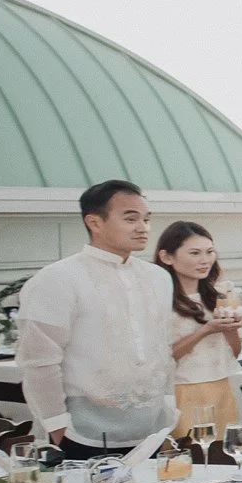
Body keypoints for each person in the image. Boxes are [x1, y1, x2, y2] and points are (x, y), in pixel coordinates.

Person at [16, 180, 178, 459]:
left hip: (152, 431)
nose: (143, 227)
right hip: (82, 433)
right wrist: (58, 430)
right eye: (130, 218)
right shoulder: (57, 279)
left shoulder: (158, 277)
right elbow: (38, 362)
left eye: (146, 219)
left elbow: (163, 350)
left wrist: (167, 410)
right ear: (94, 222)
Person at [155, 221, 242, 438]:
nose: (205, 260)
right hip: (181, 391)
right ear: (167, 257)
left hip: (220, 386)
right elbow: (163, 357)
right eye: (195, 253)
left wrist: (230, 328)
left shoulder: (219, 296)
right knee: (189, 456)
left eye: (209, 252)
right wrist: (205, 330)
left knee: (224, 457)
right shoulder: (159, 301)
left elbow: (235, 353)